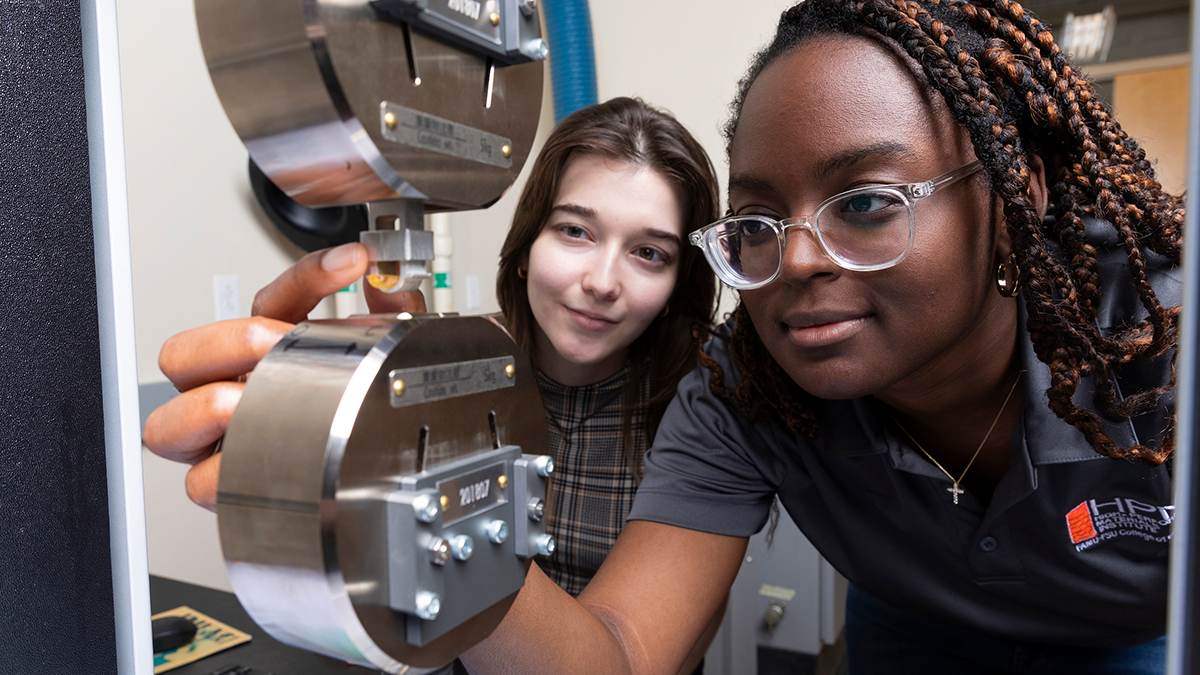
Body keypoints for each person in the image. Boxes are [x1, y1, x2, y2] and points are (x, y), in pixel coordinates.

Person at [150, 0, 1184, 673]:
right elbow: (621, 654)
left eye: (867, 202)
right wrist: (403, 493)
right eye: (762, 225)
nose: (803, 263)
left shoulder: (1162, 336)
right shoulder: (746, 387)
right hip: (908, 634)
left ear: (1016, 194)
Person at [143, 97, 720, 672]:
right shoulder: (450, 367)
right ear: (525, 250)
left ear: (677, 283)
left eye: (648, 253)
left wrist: (424, 499)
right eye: (574, 231)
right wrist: (322, 448)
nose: (601, 281)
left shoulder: (706, 411)